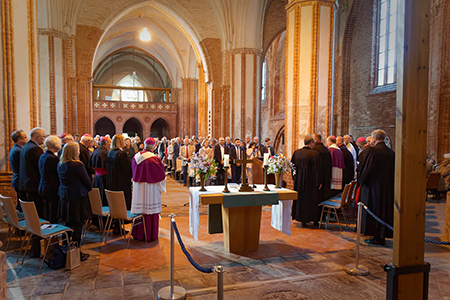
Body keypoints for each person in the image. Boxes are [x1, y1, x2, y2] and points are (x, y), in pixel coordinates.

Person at [357, 129, 394, 246]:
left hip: (372, 189)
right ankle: (381, 236)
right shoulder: (391, 152)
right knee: (383, 212)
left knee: (373, 211)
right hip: (387, 189)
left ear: (375, 138)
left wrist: (361, 181)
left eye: (372, 138)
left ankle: (376, 236)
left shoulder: (372, 151)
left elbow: (366, 169)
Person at [57, 142, 92, 260]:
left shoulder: (61, 164)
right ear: (73, 152)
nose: (78, 152)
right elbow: (87, 181)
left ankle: (65, 248)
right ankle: (76, 251)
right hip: (77, 198)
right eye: (77, 150)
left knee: (67, 224)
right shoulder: (77, 165)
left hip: (65, 197)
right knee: (78, 224)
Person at [131, 138, 167, 241]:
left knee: (140, 211)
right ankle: (150, 235)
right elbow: (161, 176)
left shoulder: (136, 157)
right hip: (151, 189)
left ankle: (138, 234)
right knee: (149, 212)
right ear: (154, 147)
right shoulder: (154, 159)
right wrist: (162, 186)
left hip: (138, 188)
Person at [291, 135, 321, 227]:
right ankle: (314, 220)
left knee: (301, 200)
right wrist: (318, 182)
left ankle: (303, 221)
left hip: (299, 182)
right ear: (311, 143)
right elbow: (317, 170)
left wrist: (295, 178)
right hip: (310, 183)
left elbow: (292, 167)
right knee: (311, 200)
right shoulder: (315, 154)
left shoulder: (296, 153)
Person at [18, 127, 45, 216]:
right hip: (33, 184)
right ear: (37, 137)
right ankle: (39, 229)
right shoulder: (35, 149)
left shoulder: (26, 146)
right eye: (43, 137)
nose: (44, 139)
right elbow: (41, 167)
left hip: (26, 183)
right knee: (37, 212)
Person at [38, 135, 61, 223]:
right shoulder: (53, 158)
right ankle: (52, 233)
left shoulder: (42, 156)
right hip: (52, 188)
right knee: (53, 212)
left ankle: (47, 230)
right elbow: (57, 173)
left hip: (43, 185)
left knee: (46, 211)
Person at [106, 134, 133, 209]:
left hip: (112, 182)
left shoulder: (110, 152)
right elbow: (127, 170)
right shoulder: (121, 154)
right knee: (123, 204)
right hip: (121, 183)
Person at [9, 130, 28, 205]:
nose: (27, 139)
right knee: (22, 204)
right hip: (20, 181)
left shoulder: (15, 149)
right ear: (19, 140)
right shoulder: (19, 151)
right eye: (25, 137)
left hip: (17, 179)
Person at [90, 136, 111, 205]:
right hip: (103, 178)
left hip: (97, 177)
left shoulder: (96, 151)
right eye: (109, 143)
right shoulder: (104, 153)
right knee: (103, 197)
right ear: (106, 144)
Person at [312, 133, 332, 201]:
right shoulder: (326, 149)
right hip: (326, 177)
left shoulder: (314, 150)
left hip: (317, 179)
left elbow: (316, 167)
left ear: (316, 140)